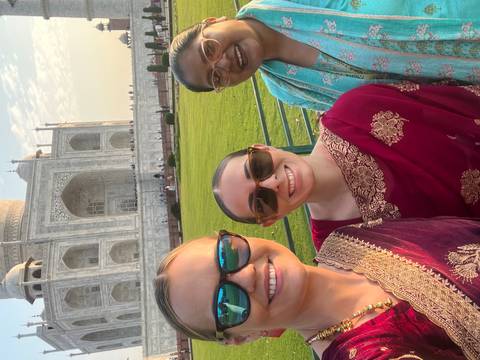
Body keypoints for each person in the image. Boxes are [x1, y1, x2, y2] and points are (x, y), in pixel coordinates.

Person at [154, 217, 480, 359]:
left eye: (227, 254)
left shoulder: (343, 242)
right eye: (226, 304)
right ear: (243, 337)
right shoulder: (363, 353)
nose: (247, 276)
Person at [211, 83, 480, 249]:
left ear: (263, 149)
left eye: (258, 167)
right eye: (261, 201)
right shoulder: (340, 245)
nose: (273, 182)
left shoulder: (355, 110)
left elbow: (459, 103)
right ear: (270, 220)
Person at [169, 0, 480, 110]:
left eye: (210, 48)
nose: (224, 62)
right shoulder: (286, 89)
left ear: (213, 23)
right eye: (216, 77)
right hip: (458, 85)